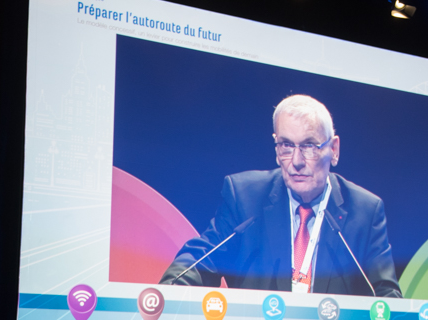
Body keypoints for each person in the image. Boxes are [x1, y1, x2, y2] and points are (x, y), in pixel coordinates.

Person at [159, 94, 402, 297]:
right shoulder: (245, 197)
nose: (296, 162)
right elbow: (201, 260)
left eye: (308, 146)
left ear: (334, 150)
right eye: (286, 146)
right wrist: (170, 291)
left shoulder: (365, 211)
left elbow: (386, 296)